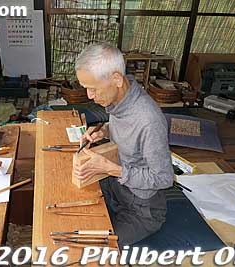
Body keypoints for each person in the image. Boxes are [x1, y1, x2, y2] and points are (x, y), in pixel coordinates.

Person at [73, 43, 174, 246]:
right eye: (86, 88)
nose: (89, 96)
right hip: (118, 188)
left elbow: (164, 179)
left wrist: (111, 169)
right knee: (75, 210)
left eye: (93, 89)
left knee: (96, 249)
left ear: (117, 79)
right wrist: (104, 130)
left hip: (142, 209)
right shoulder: (121, 98)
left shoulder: (149, 120)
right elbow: (125, 126)